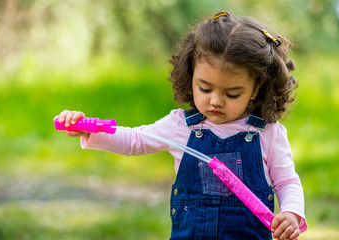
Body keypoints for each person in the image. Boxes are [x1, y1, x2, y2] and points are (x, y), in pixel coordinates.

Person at [55, 12, 307, 240]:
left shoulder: (267, 133)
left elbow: (287, 182)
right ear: (191, 75)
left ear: (256, 88)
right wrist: (92, 130)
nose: (215, 101)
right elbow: (135, 140)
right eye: (205, 88)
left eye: (232, 94)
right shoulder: (181, 126)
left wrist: (292, 213)